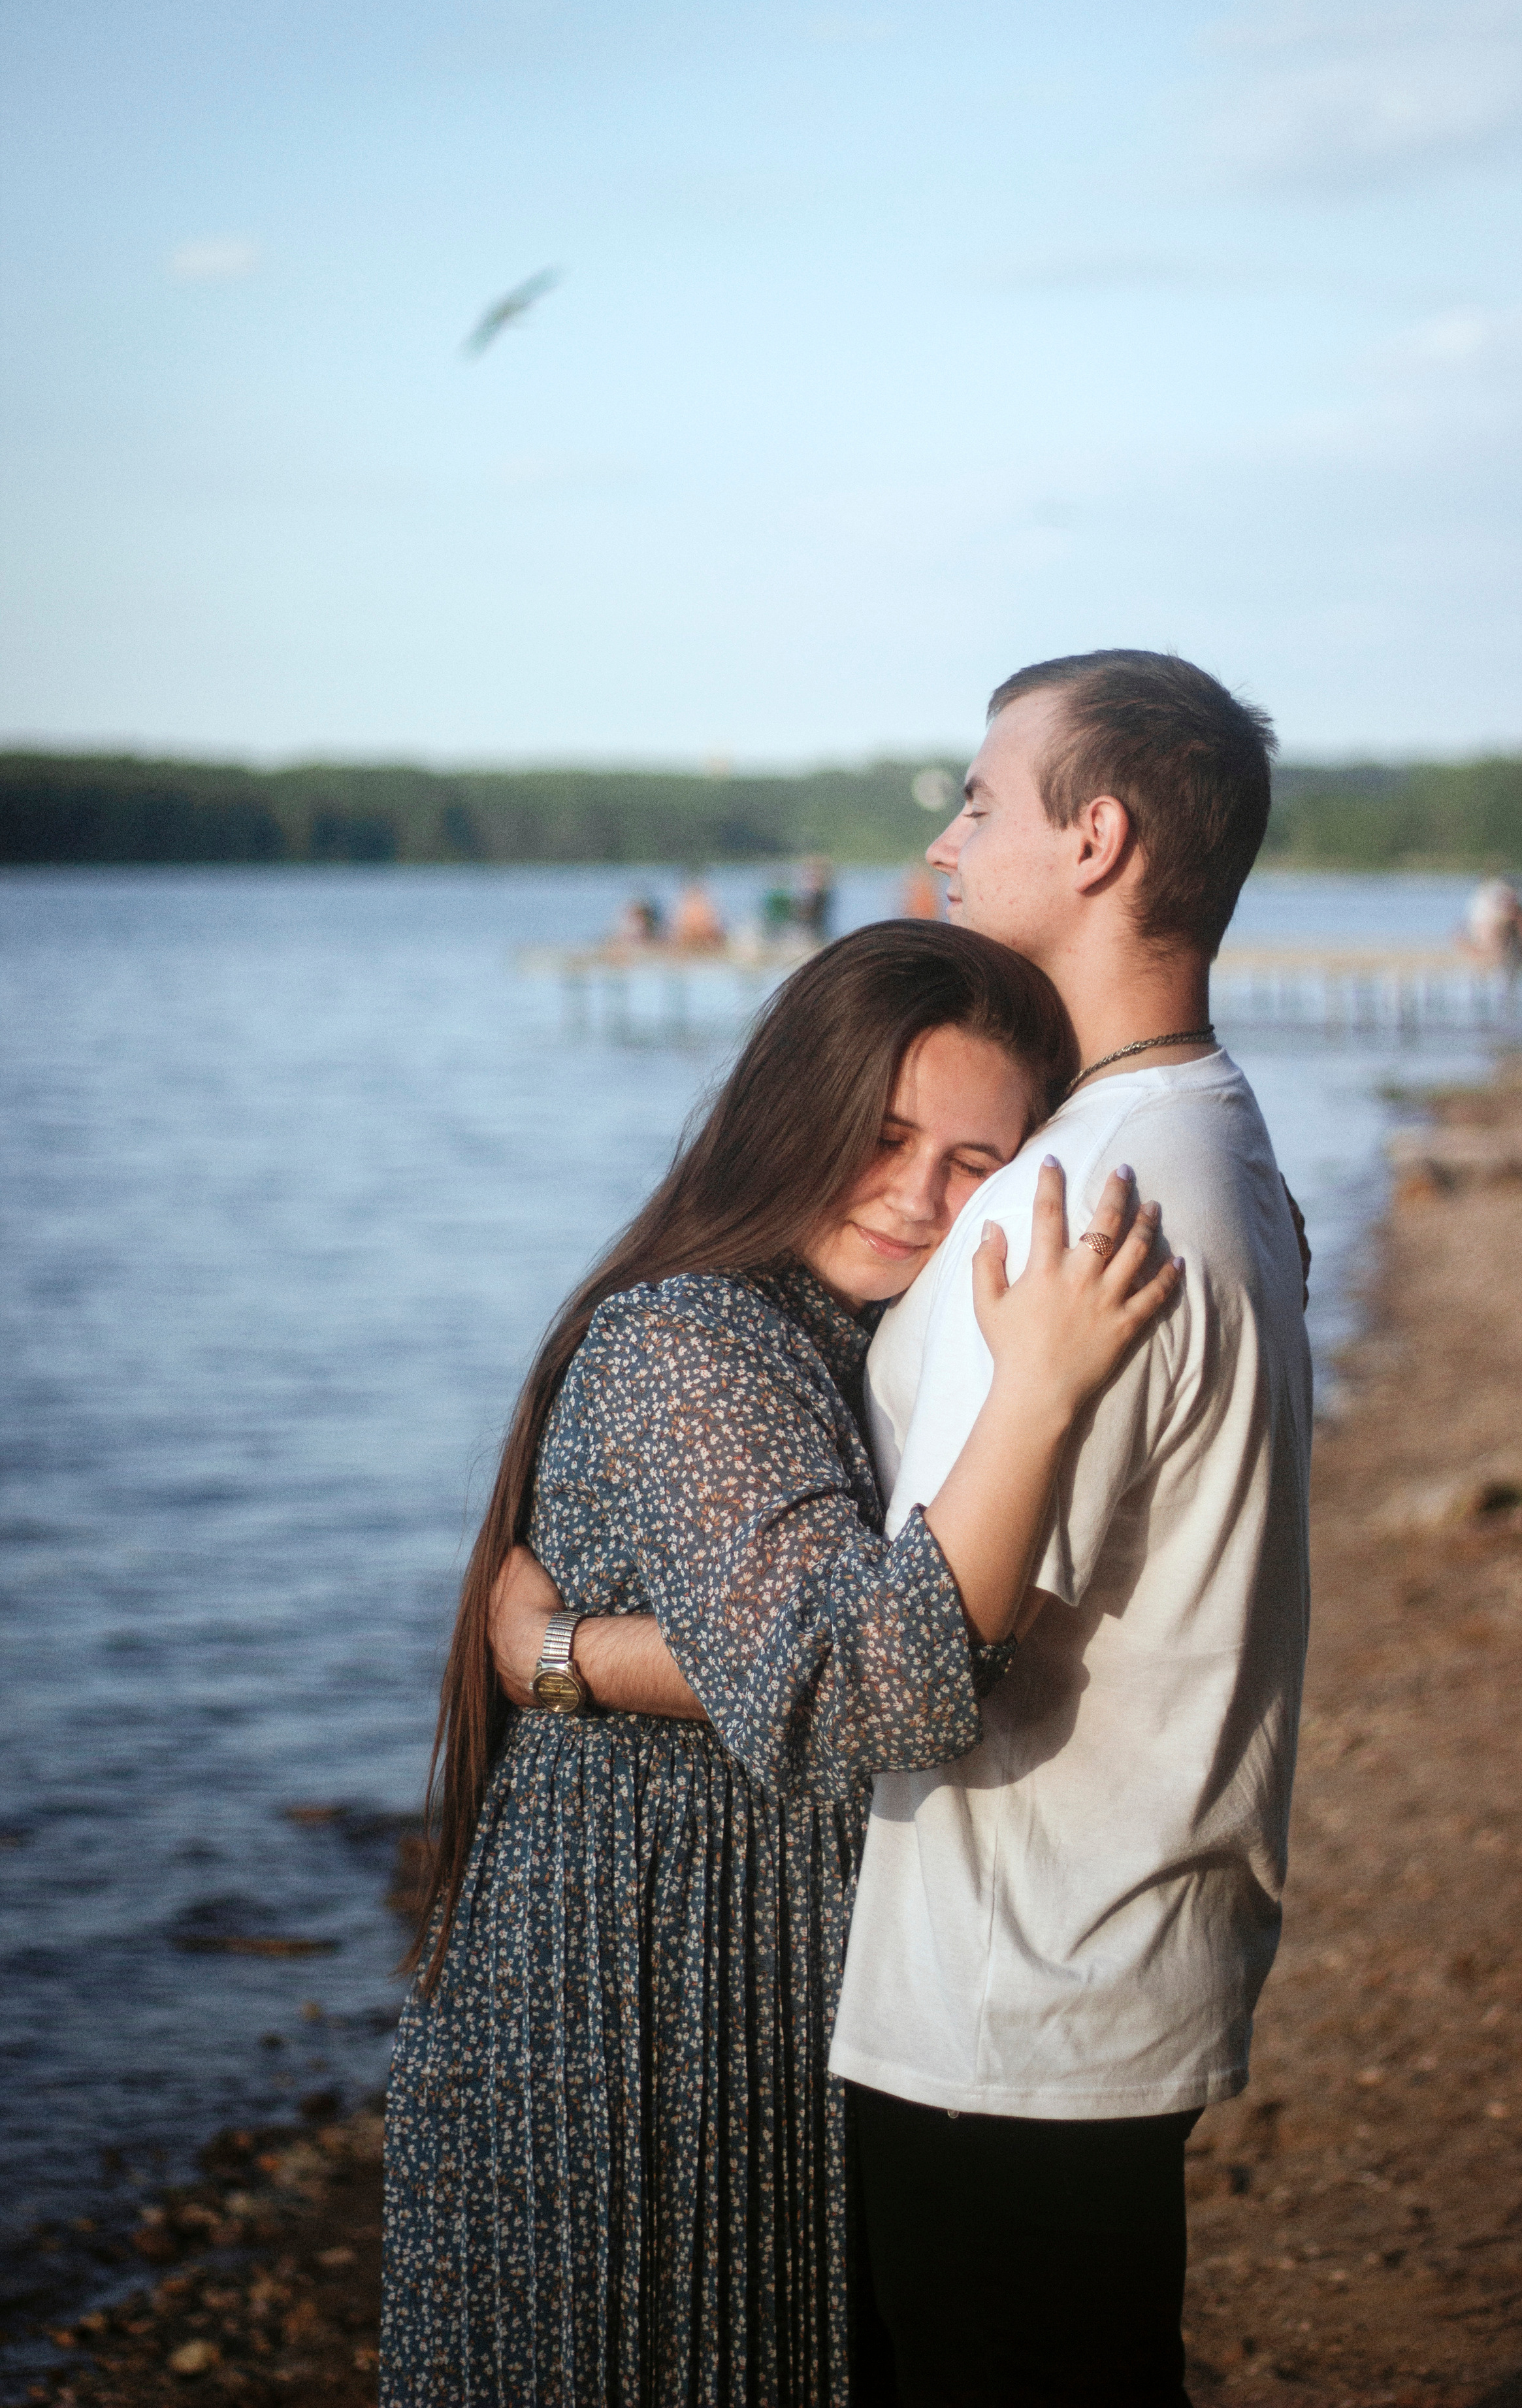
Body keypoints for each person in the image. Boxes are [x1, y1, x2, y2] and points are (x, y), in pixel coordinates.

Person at [496, 648, 1312, 2406]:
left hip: (1018, 1994)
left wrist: (562, 1656)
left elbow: (874, 1673)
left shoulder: (1086, 1204)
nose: (943, 844)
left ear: (1095, 839)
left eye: (978, 798)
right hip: (1048, 1966)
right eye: (885, 1144)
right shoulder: (1200, 1146)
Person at [381, 920, 1179, 2408]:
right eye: (879, 1137)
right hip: (638, 2011)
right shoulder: (693, 1340)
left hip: (725, 1965)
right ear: (784, 1110)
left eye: (970, 1164)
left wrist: (573, 1654)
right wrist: (1045, 1388)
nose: (914, 1196)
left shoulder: (840, 1332)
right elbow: (852, 1681)